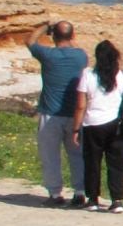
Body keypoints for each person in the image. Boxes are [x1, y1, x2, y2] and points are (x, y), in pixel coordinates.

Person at [26, 19, 89, 207]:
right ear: (72, 36)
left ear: (53, 37)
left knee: (50, 155)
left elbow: (30, 41)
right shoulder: (80, 56)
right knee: (77, 155)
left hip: (50, 114)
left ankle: (55, 194)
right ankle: (79, 192)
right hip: (75, 114)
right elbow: (74, 47)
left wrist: (45, 27)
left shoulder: (48, 55)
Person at [71, 40, 123, 213]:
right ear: (116, 56)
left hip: (92, 124)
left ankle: (92, 199)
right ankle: (117, 200)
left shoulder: (88, 74)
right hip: (117, 125)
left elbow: (80, 105)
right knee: (117, 163)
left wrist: (76, 128)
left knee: (92, 163)